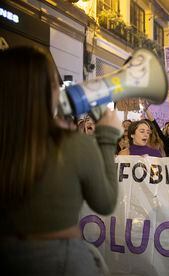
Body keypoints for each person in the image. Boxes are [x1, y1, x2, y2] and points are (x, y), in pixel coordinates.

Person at [0, 46, 122, 274]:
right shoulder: (73, 144)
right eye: (56, 84)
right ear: (50, 90)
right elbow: (105, 202)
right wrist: (107, 137)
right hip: (64, 262)